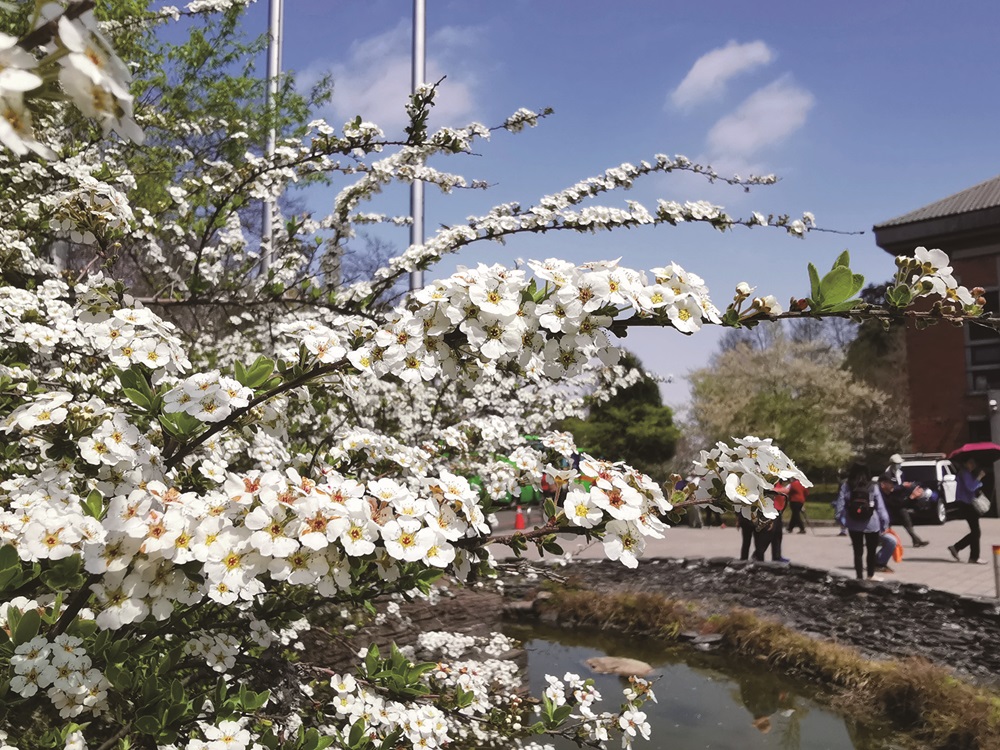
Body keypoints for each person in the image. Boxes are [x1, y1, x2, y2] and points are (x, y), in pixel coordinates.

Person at [836, 462, 891, 580]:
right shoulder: (873, 486)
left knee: (857, 552)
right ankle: (870, 575)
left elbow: (840, 505)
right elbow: (880, 507)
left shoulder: (846, 485)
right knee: (871, 551)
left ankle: (859, 577)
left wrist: (841, 521)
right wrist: (884, 524)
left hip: (853, 522)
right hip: (872, 523)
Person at [948, 457, 987, 564]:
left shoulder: (967, 473)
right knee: (976, 532)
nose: (973, 464)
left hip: (968, 504)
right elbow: (971, 487)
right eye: (970, 462)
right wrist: (979, 477)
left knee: (975, 532)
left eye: (974, 462)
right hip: (967, 505)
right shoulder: (964, 473)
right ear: (965, 463)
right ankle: (972, 556)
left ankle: (958, 548)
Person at [876, 473, 929, 547]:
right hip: (884, 511)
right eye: (890, 483)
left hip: (894, 509)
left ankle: (916, 540)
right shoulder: (878, 493)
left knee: (903, 513)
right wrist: (911, 497)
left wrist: (912, 490)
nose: (892, 485)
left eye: (893, 483)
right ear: (883, 484)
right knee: (885, 522)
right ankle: (880, 540)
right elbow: (896, 504)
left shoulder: (893, 489)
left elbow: (899, 493)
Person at [770, 483, 790, 562]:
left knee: (778, 534)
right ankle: (757, 556)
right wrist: (783, 490)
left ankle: (777, 556)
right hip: (771, 510)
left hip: (778, 510)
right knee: (768, 535)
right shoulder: (772, 479)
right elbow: (769, 490)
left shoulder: (779, 481)